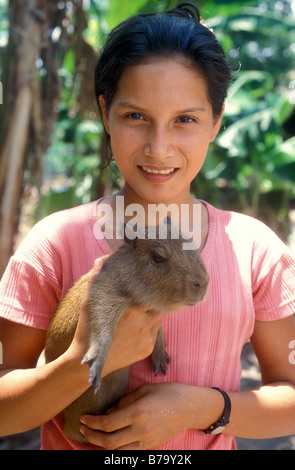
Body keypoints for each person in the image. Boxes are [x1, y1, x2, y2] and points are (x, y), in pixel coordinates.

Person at [0, 2, 295, 451]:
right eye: (136, 116)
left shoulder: (256, 250)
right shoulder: (54, 244)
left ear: (216, 122)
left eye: (185, 120)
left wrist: (202, 409)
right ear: (105, 113)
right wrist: (82, 363)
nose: (159, 148)